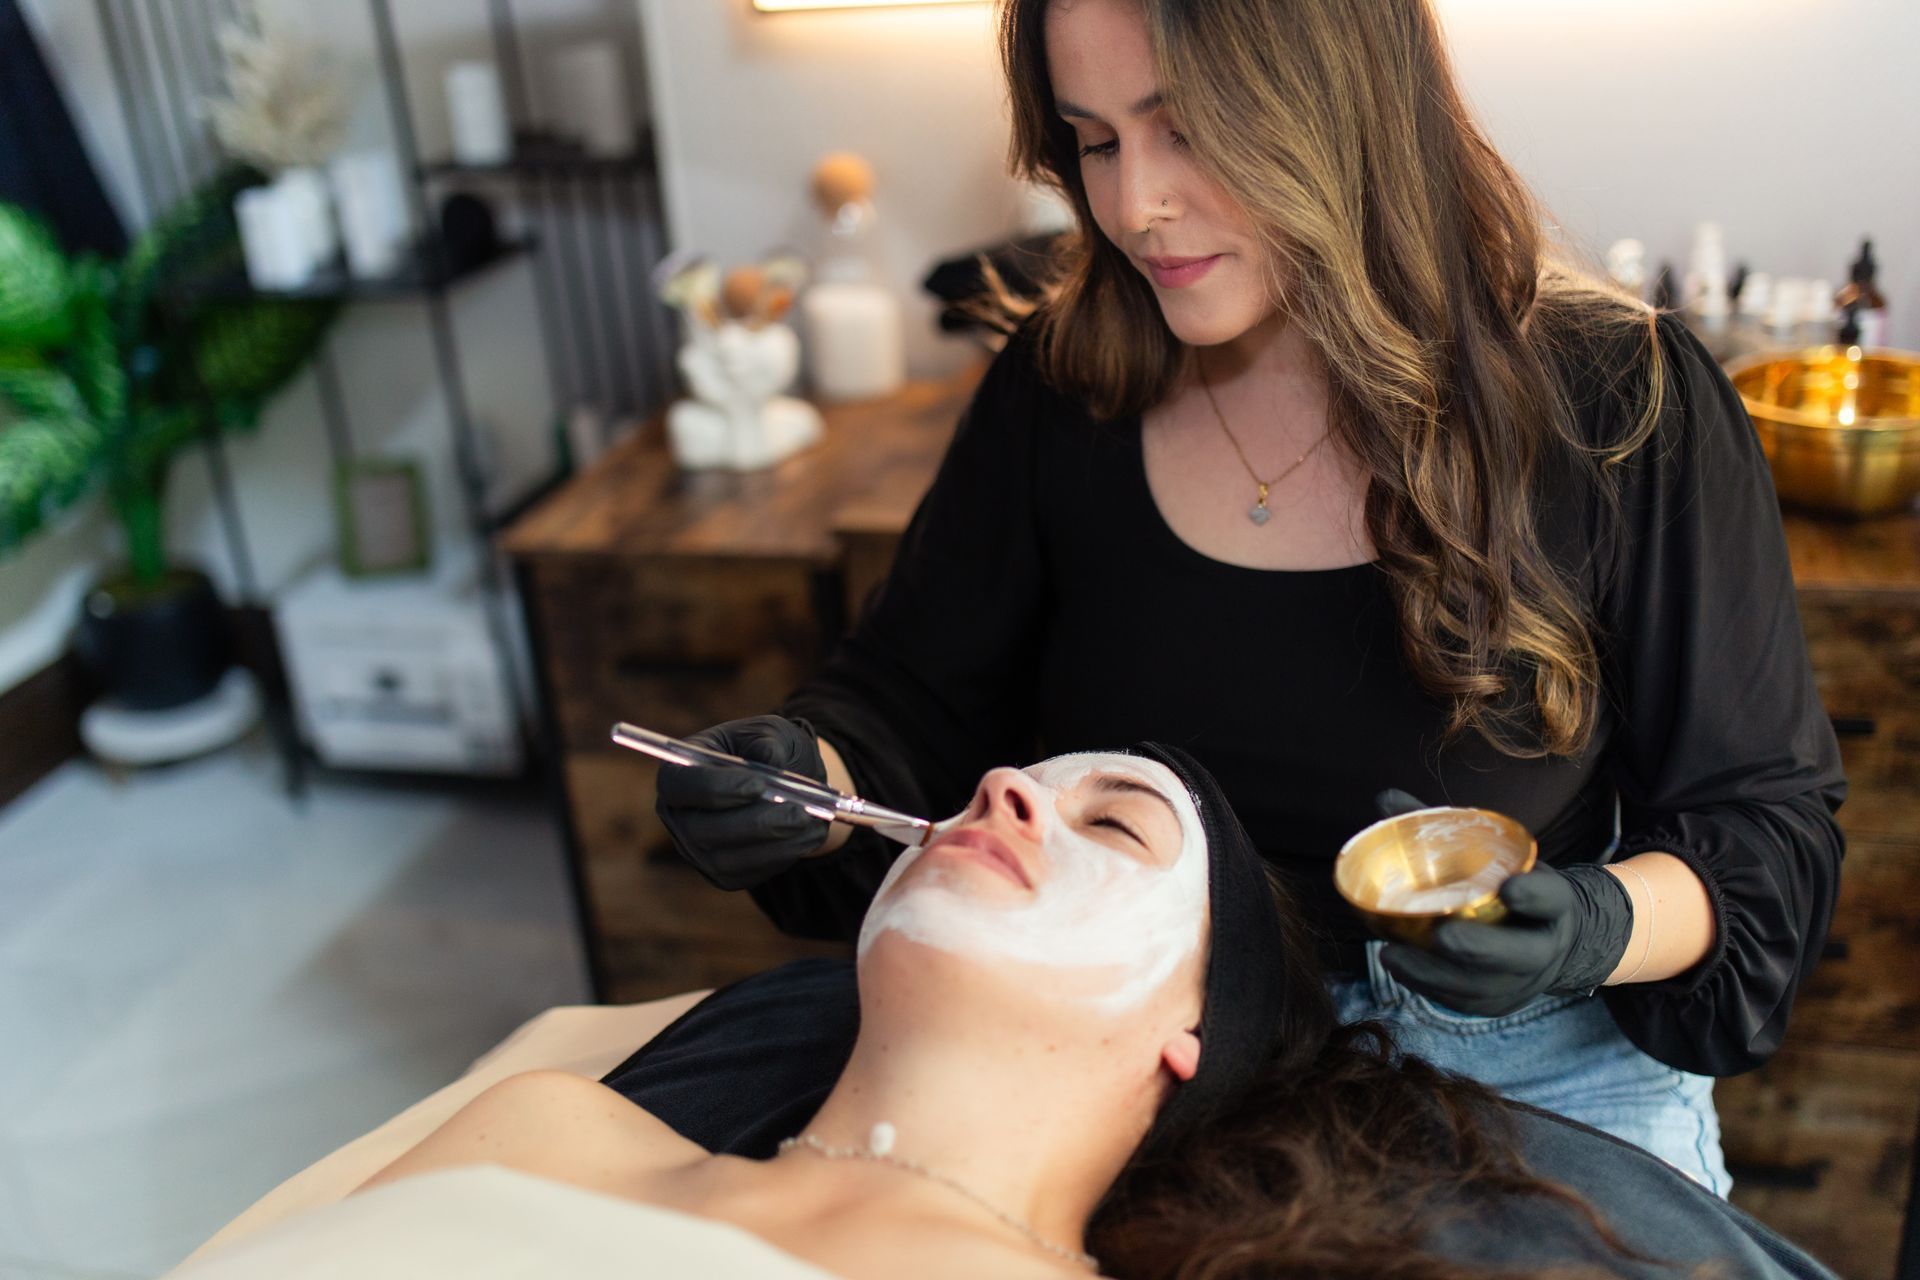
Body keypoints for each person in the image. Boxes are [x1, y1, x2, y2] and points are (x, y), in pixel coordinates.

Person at [652, 0, 1846, 1197]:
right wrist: (797, 773)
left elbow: (1758, 830)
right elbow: (904, 705)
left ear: (1343, 116)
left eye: (1189, 134)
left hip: (1528, 1076)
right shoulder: (1065, 391)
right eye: (1096, 141)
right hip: (1141, 1057)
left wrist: (1588, 926)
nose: (1132, 206)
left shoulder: (1618, 398)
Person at [176, 748, 1831, 1280]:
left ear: (1191, 1029)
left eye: (1111, 824)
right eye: (1014, 778)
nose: (1001, 792)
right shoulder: (552, 1120)